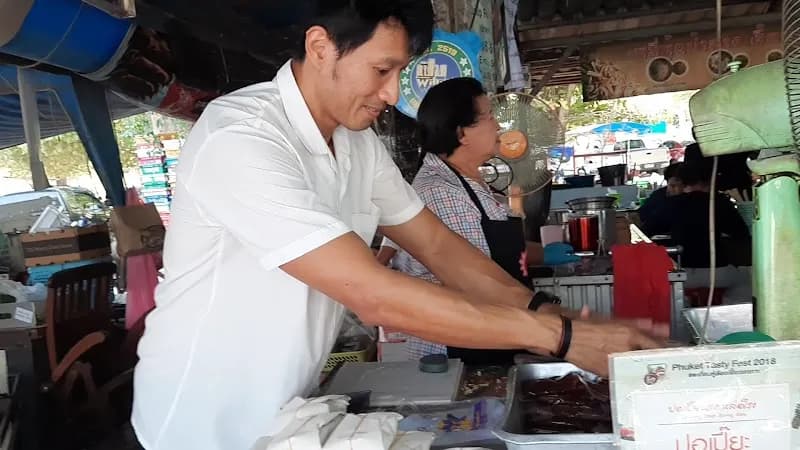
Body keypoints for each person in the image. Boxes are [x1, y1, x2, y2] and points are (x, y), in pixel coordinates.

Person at [131, 2, 664, 449]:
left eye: (399, 74)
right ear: (321, 47)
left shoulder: (357, 144)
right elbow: (372, 294)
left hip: (287, 409)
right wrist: (561, 338)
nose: (391, 94)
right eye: (381, 70)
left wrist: (548, 314)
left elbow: (439, 247)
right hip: (199, 420)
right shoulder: (240, 136)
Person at [376, 77, 546, 362]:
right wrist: (550, 325)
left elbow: (500, 252)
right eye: (489, 116)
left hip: (495, 335)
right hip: (460, 352)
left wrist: (550, 253)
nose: (498, 125)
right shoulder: (442, 191)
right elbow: (474, 284)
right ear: (462, 133)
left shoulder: (470, 183)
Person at [668, 159, 752, 303]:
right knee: (745, 279)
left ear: (683, 181)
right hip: (717, 273)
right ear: (710, 179)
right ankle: (733, 312)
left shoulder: (670, 204)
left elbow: (647, 227)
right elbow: (741, 233)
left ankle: (683, 309)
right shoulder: (720, 202)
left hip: (680, 274)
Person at [639, 162, 684, 236]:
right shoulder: (658, 195)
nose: (678, 190)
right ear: (667, 182)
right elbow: (642, 215)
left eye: (682, 186)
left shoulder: (689, 199)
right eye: (672, 186)